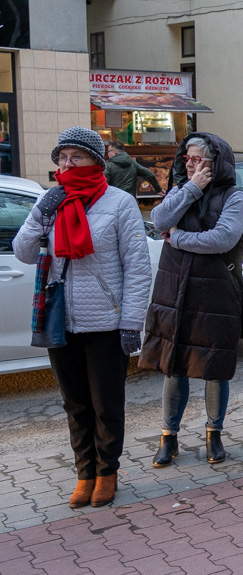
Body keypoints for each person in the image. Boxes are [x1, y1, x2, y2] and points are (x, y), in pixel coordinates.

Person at [13, 127, 151, 508]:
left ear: (97, 161)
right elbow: (23, 252)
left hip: (107, 322)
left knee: (106, 403)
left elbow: (138, 269)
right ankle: (84, 474)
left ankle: (108, 473)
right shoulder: (50, 200)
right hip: (61, 320)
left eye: (76, 156)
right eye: (62, 157)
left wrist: (131, 322)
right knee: (75, 403)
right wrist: (41, 210)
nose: (67, 164)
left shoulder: (120, 203)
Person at [141, 133, 243, 467]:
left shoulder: (234, 197)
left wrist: (178, 238)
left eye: (198, 159)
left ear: (216, 162)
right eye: (187, 158)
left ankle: (213, 435)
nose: (190, 164)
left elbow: (222, 239)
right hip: (174, 291)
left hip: (215, 291)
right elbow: (158, 220)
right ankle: (168, 437)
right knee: (174, 366)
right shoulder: (180, 190)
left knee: (215, 366)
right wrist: (190, 189)